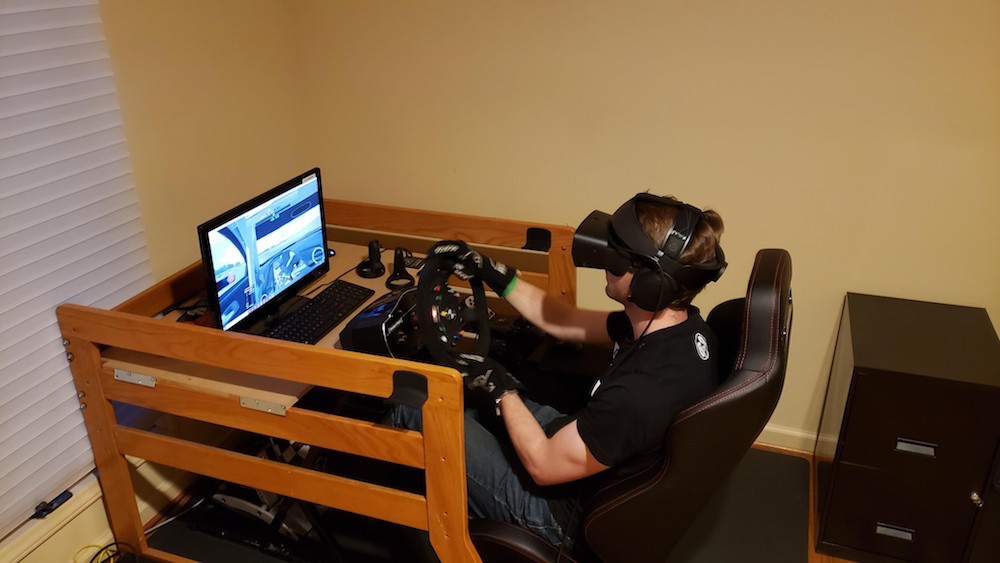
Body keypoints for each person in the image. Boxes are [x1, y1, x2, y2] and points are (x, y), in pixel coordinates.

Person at [388, 192, 727, 549]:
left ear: (650, 282)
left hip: (557, 512)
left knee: (415, 403)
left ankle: (391, 521)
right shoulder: (682, 330)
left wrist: (501, 388)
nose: (604, 260)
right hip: (581, 450)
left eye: (616, 255)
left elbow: (543, 467)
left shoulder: (641, 393)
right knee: (464, 395)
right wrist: (494, 273)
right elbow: (564, 320)